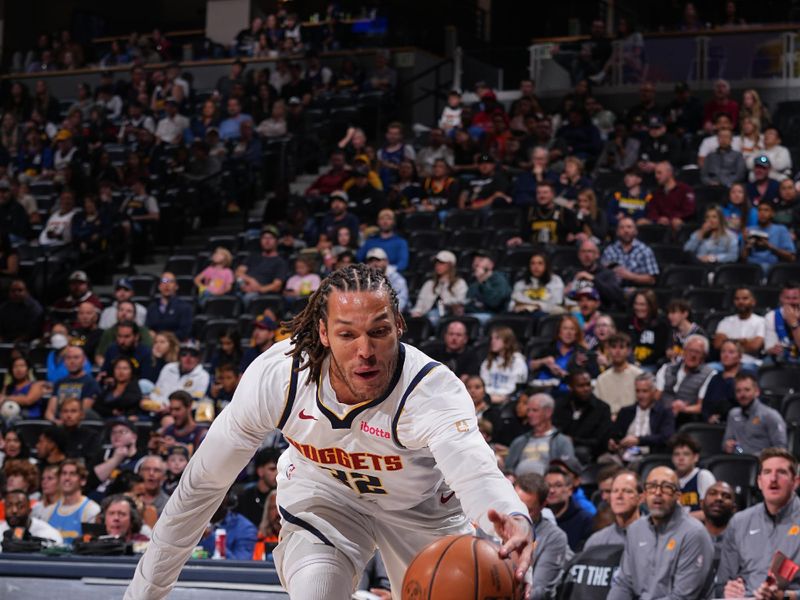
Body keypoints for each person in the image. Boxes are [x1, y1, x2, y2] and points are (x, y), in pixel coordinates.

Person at [125, 264, 535, 599]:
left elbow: (475, 469)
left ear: (399, 326)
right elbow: (200, 488)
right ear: (322, 333)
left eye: (378, 331)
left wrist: (514, 517)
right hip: (326, 500)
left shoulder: (431, 390)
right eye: (346, 334)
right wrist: (143, 595)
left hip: (422, 514)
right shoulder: (281, 376)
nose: (365, 351)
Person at [607, 466, 714, 599]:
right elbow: (623, 584)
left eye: (667, 487)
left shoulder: (694, 533)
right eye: (652, 486)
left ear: (678, 496)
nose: (658, 492)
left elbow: (682, 597)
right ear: (645, 494)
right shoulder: (635, 530)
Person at [716, 448, 800, 598]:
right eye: (767, 472)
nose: (773, 478)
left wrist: (785, 596)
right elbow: (722, 585)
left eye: (781, 472)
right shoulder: (739, 522)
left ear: (795, 482)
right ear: (760, 482)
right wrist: (728, 591)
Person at [514, 472, 569, 600]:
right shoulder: (491, 524)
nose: (520, 515)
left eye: (528, 510)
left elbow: (540, 591)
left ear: (543, 505)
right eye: (517, 506)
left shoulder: (554, 537)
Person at [609, 373, 676, 461]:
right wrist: (614, 443)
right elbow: (615, 435)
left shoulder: (664, 412)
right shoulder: (625, 412)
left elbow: (666, 437)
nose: (640, 395)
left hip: (649, 457)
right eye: (637, 391)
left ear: (654, 392)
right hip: (623, 454)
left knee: (637, 464)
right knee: (604, 460)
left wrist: (639, 440)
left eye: (645, 391)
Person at [505, 393, 576, 476]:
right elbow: (508, 468)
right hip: (517, 485)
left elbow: (568, 471)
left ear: (548, 412)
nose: (529, 414)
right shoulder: (519, 441)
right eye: (528, 410)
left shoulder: (562, 441)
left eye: (534, 410)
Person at [552, 369, 612, 462]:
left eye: (588, 384)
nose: (586, 389)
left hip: (591, 452)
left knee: (581, 453)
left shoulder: (602, 408)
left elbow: (601, 441)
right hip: (561, 447)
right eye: (581, 386)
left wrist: (574, 441)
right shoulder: (560, 406)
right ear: (570, 387)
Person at [723, 372, 787, 455]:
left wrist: (760, 457)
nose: (742, 394)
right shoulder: (733, 414)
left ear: (757, 392)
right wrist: (733, 448)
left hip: (763, 463)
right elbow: (728, 443)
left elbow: (781, 448)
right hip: (738, 461)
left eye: (747, 390)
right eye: (738, 391)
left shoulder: (770, 415)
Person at [655, 334, 716, 422]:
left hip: (687, 419)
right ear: (683, 351)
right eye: (690, 350)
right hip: (661, 416)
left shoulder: (710, 374)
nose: (693, 355)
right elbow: (657, 396)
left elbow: (701, 407)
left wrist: (683, 409)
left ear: (704, 356)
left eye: (697, 352)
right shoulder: (666, 368)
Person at [40, 459, 101, 544]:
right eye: (64, 473)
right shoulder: (48, 511)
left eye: (72, 474)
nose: (67, 478)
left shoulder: (91, 510)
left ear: (83, 481)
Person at [148, 340, 210, 411]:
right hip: (160, 408)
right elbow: (155, 393)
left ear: (198, 358)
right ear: (179, 357)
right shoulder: (168, 368)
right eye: (184, 354)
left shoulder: (203, 375)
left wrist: (172, 409)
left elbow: (196, 402)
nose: (188, 358)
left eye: (193, 355)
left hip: (184, 414)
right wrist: (161, 406)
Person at [410, 251, 467, 327]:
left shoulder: (459, 283)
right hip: (427, 316)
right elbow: (420, 303)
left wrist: (444, 288)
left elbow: (460, 301)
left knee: (433, 316)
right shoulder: (429, 284)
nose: (437, 265)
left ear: (450, 265)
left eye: (442, 263)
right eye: (436, 263)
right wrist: (417, 312)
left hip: (450, 315)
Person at [585, 470, 642, 547]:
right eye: (615, 491)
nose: (619, 496)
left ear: (641, 498)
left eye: (627, 491)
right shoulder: (596, 542)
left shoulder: (659, 536)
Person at [545, 464, 594, 552]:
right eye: (548, 486)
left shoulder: (586, 520)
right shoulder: (538, 517)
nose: (551, 490)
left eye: (558, 485)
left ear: (570, 490)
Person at [235, 226, 290, 301]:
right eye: (264, 238)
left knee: (249, 297)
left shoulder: (280, 262)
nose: (267, 241)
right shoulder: (253, 257)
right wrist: (250, 281)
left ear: (276, 241)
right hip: (242, 288)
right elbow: (239, 272)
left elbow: (277, 286)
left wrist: (258, 288)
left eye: (270, 238)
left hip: (261, 294)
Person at [713, 287, 765, 367]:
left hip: (750, 363)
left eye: (745, 298)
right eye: (737, 299)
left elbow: (755, 346)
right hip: (725, 363)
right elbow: (717, 344)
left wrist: (729, 341)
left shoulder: (761, 322)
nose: (740, 302)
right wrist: (745, 341)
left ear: (753, 301)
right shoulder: (725, 321)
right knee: (710, 368)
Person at [601, 217, 659, 288]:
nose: (626, 230)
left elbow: (652, 280)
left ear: (636, 231)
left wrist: (631, 276)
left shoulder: (645, 250)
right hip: (614, 289)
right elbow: (602, 275)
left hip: (638, 290)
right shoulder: (609, 251)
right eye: (622, 228)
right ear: (617, 232)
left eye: (629, 227)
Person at [595, 333, 643, 418]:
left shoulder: (639, 376)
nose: (617, 351)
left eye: (621, 347)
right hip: (607, 422)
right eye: (613, 347)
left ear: (628, 351)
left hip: (633, 421)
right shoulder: (601, 379)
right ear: (608, 350)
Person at [479, 326, 528, 405]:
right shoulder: (488, 361)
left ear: (507, 341)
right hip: (488, 398)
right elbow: (483, 383)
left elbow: (515, 388)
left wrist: (498, 397)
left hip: (508, 400)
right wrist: (489, 396)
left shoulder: (518, 361)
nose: (493, 341)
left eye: (497, 338)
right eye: (492, 338)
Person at [670, 433, 715, 516]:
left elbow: (708, 513)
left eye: (686, 454)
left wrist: (680, 520)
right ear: (672, 458)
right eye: (677, 454)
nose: (681, 458)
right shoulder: (668, 478)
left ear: (695, 457)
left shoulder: (703, 476)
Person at [743, 201, 796, 272]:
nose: (762, 213)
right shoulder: (749, 230)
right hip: (752, 269)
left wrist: (769, 246)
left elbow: (791, 258)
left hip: (773, 269)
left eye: (766, 210)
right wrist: (747, 246)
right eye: (760, 210)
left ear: (772, 214)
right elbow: (743, 259)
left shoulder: (781, 229)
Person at [646, 162, 696, 231]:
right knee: (642, 222)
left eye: (659, 173)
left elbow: (689, 211)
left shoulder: (685, 189)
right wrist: (658, 219)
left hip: (679, 221)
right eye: (655, 173)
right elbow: (652, 210)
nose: (656, 176)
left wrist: (671, 218)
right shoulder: (656, 192)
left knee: (676, 222)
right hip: (660, 223)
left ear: (669, 173)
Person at [703, 339, 744, 424]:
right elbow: (705, 405)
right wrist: (708, 418)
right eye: (723, 352)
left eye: (731, 352)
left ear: (739, 357)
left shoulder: (744, 379)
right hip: (712, 425)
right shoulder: (715, 378)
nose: (726, 355)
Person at [627, 290, 670, 369]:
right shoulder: (631, 321)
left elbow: (659, 351)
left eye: (642, 304)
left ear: (651, 306)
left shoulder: (661, 323)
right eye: (636, 304)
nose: (638, 307)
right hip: (632, 363)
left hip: (651, 365)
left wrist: (640, 363)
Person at [145, 272, 193, 341]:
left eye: (171, 282)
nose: (167, 285)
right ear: (159, 286)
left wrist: (162, 338)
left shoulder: (185, 307)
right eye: (164, 281)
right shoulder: (152, 308)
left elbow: (184, 332)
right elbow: (147, 329)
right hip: (154, 345)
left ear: (176, 286)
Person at [238, 448, 279, 527]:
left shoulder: (283, 495)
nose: (277, 473)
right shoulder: (245, 497)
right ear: (260, 471)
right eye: (272, 469)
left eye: (279, 469)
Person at [465, 252, 512, 319]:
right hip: (472, 315)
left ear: (491, 265)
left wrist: (483, 281)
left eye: (481, 260)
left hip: (493, 316)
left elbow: (494, 302)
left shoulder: (499, 280)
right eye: (474, 260)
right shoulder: (474, 281)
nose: (476, 263)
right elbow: (469, 299)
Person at [763, 282, 800, 365]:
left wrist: (794, 324)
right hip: (781, 358)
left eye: (795, 298)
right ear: (781, 298)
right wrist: (773, 349)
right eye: (787, 298)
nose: (791, 302)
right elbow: (769, 347)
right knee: (767, 363)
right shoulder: (771, 316)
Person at [697, 480, 736, 558]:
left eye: (726, 496)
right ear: (701, 503)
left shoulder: (740, 540)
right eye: (712, 493)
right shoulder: (690, 537)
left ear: (734, 508)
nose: (719, 498)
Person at [59, 396, 101, 463]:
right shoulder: (54, 435)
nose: (69, 415)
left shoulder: (91, 436)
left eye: (73, 411)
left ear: (82, 415)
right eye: (65, 411)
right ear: (60, 415)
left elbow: (92, 461)